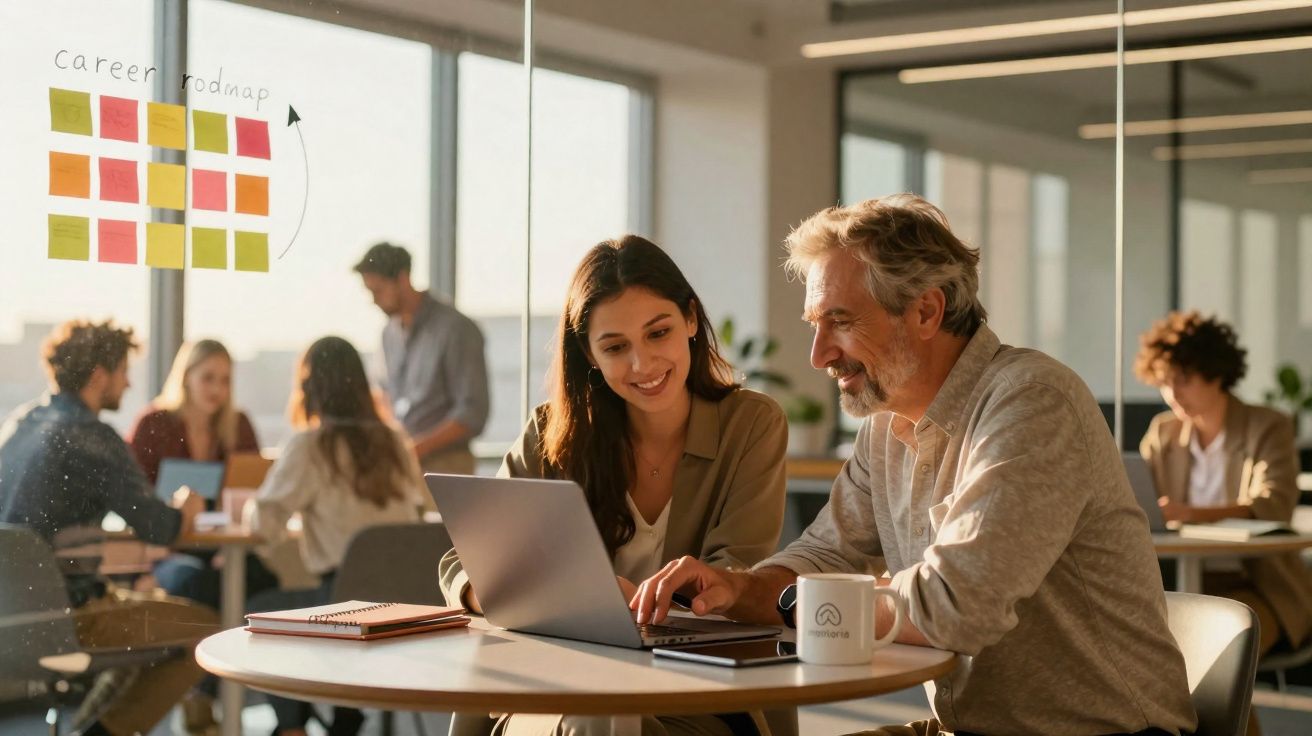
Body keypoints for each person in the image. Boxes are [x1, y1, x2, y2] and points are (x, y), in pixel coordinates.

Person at [631, 195, 1197, 736]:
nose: (819, 354)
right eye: (815, 325)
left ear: (927, 310)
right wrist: (733, 589)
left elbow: (955, 607)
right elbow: (824, 555)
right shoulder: (885, 425)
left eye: (841, 321)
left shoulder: (1031, 401)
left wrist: (803, 599)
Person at [439, 235, 788, 736]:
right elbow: (465, 560)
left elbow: (735, 577)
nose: (642, 365)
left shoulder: (751, 425)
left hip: (695, 694)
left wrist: (641, 606)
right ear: (589, 353)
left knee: (598, 718)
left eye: (658, 333)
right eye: (616, 347)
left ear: (690, 320)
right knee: (590, 714)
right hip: (558, 686)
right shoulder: (550, 433)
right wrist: (551, 599)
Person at [0, 320, 217, 736]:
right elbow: (159, 527)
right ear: (99, 376)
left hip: (12, 617)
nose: (129, 382)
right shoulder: (92, 435)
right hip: (71, 617)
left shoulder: (19, 424)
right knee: (207, 633)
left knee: (142, 625)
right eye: (123, 372)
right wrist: (186, 507)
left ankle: (87, 729)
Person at [245, 336, 432, 736]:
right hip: (405, 609)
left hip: (343, 609)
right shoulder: (396, 444)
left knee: (258, 608)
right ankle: (346, 720)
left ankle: (292, 726)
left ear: (309, 388)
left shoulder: (311, 446)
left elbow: (262, 526)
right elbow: (413, 519)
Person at [1136, 310, 1312, 656]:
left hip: (1257, 587)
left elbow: (1272, 505)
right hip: (1176, 588)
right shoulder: (1163, 432)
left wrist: (1190, 513)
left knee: (1215, 659)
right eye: (1164, 382)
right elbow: (1134, 501)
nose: (1172, 393)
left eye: (1183, 379)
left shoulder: (1267, 427)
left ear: (1215, 374)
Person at [354, 242, 489, 474]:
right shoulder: (389, 334)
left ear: (403, 279)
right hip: (403, 465)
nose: (373, 300)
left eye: (378, 290)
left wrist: (414, 449)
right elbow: (384, 395)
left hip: (447, 465)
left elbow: (472, 412)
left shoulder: (455, 329)